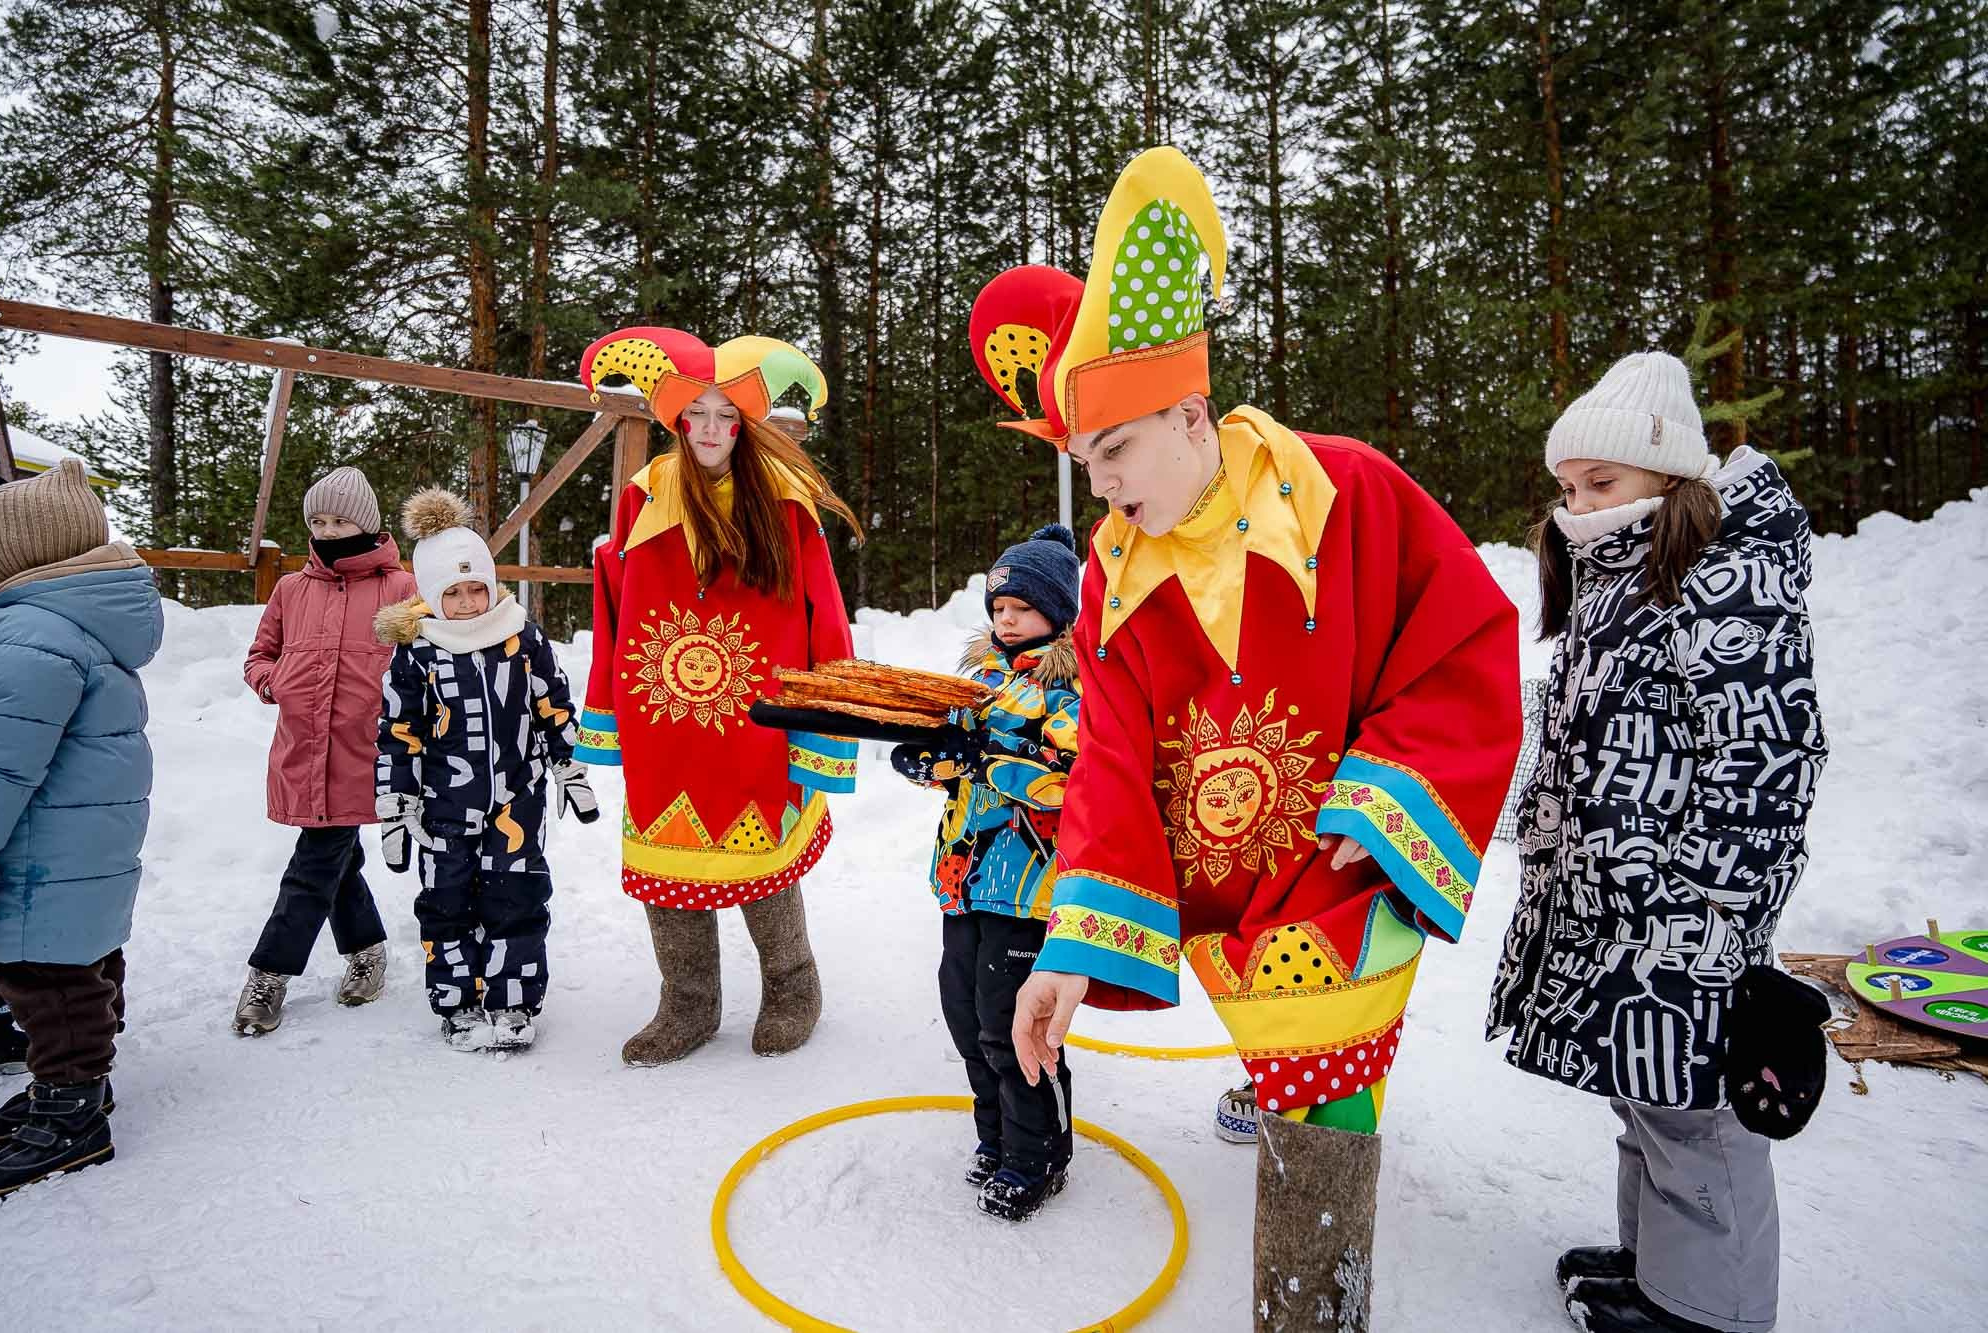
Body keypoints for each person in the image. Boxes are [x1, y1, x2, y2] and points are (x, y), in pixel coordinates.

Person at [975, 148, 1520, 1329]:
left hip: (1340, 876)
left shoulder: (1348, 492)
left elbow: (1465, 641)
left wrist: (1377, 815)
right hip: (1223, 903)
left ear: (1187, 412)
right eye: (1083, 461)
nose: (1100, 484)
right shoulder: (1111, 575)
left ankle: (1309, 1310)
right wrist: (1070, 945)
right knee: (1290, 1090)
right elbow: (1113, 763)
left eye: (1114, 451)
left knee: (1324, 1107)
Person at [1485, 352, 1827, 1333]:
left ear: (1665, 474)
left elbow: (1769, 747)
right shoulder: (1619, 568)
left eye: (1601, 483)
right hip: (1619, 906)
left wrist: (1714, 904)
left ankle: (1705, 1311)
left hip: (1688, 909)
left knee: (1696, 1114)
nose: (1578, 503)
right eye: (1566, 487)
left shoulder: (1720, 570)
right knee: (1644, 1091)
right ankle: (1655, 1269)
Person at [574, 328, 861, 1066]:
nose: (709, 429)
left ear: (747, 423)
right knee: (668, 870)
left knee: (759, 862)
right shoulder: (643, 497)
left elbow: (823, 614)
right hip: (664, 722)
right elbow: (614, 607)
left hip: (757, 723)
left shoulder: (785, 502)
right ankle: (689, 1003)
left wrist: (825, 722)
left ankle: (794, 984)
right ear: (675, 418)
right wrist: (606, 709)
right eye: (696, 414)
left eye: (725, 415)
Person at [890, 525, 1083, 1221]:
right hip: (963, 878)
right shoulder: (975, 680)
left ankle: (1038, 1153)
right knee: (966, 1017)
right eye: (999, 606)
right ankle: (996, 1137)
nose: (1006, 618)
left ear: (1057, 611)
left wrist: (987, 759)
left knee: (1012, 1024)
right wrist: (926, 757)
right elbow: (942, 751)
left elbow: (1070, 779)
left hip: (1029, 885)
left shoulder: (1068, 689)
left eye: (1022, 607)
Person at [0, 460, 161, 1199]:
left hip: (41, 855)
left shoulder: (33, 632)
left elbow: (0, 759)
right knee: (82, 966)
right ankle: (77, 1086)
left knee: (44, 981)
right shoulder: (79, 621)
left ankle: (73, 1112)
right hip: (79, 850)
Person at [374, 489, 598, 1051]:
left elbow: (553, 704)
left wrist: (570, 765)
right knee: (447, 903)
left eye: (478, 588)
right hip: (443, 807)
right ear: (431, 594)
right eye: (454, 592)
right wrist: (395, 804)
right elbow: (399, 731)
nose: (470, 603)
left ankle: (514, 999)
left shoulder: (521, 638)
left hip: (516, 800)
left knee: (517, 897)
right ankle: (457, 1002)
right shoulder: (419, 651)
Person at [233, 466, 417, 1035]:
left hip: (370, 753)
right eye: (318, 520)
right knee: (335, 859)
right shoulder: (292, 589)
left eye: (339, 519)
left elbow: (428, 665)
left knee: (314, 866)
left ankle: (269, 973)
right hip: (304, 750)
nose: (328, 529)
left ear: (366, 522)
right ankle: (367, 953)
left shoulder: (402, 588)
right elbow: (259, 656)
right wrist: (275, 683)